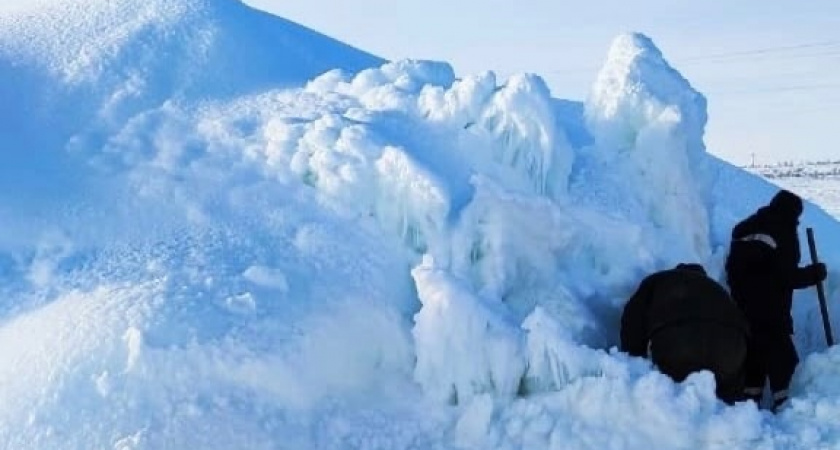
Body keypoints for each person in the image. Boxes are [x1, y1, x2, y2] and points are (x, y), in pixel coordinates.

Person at [725, 189, 827, 412]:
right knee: (783, 358)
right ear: (792, 213)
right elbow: (784, 276)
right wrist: (814, 274)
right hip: (770, 308)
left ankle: (749, 406)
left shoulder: (746, 227)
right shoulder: (782, 230)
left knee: (755, 355)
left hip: (742, 306)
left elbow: (734, 269)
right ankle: (788, 405)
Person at [621, 263, 750, 404]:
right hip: (729, 348)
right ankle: (731, 415)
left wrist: (634, 360)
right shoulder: (717, 289)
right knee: (727, 397)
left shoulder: (659, 280)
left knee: (672, 397)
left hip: (682, 344)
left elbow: (633, 318)